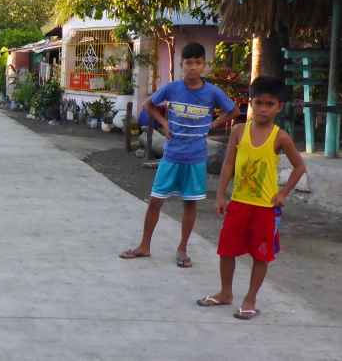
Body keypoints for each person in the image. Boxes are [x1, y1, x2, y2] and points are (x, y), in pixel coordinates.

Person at [119, 43, 240, 267]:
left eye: (198, 63)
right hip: (171, 155)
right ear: (181, 64)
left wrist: (214, 124)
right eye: (188, 63)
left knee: (190, 204)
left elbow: (234, 111)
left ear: (204, 65)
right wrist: (164, 122)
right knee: (155, 201)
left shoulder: (212, 92)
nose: (193, 67)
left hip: (196, 158)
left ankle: (182, 249)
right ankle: (144, 245)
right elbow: (148, 105)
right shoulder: (172, 88)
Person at [197, 76, 305, 319]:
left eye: (270, 104)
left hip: (265, 208)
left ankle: (250, 299)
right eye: (258, 103)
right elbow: (228, 164)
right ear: (250, 103)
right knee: (226, 250)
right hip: (238, 204)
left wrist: (283, 193)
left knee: (261, 254)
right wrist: (220, 196)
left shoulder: (280, 137)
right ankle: (225, 293)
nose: (263, 109)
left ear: (279, 107)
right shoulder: (238, 131)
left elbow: (299, 166)